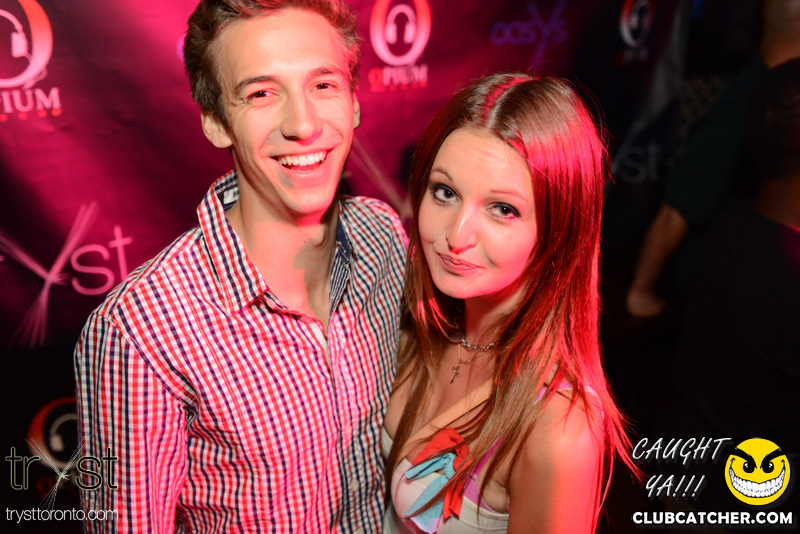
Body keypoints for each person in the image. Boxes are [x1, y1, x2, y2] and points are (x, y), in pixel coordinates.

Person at [73, 0, 407, 532]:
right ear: (215, 123)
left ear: (354, 103)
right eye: (261, 94)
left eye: (323, 85)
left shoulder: (383, 237)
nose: (303, 124)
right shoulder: (141, 331)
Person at [383, 73, 636, 533]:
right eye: (445, 192)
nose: (457, 235)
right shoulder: (413, 325)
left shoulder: (556, 427)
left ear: (558, 231)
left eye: (502, 209)